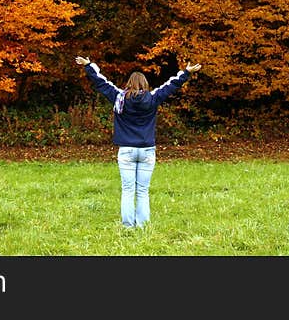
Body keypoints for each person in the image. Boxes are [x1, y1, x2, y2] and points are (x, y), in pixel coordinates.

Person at [75, 55, 201, 228]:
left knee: (128, 190)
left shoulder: (119, 98)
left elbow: (101, 83)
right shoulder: (152, 98)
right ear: (145, 84)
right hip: (147, 150)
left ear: (129, 83)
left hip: (126, 150)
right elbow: (171, 86)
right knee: (142, 191)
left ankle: (128, 226)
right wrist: (186, 72)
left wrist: (88, 65)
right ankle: (142, 226)